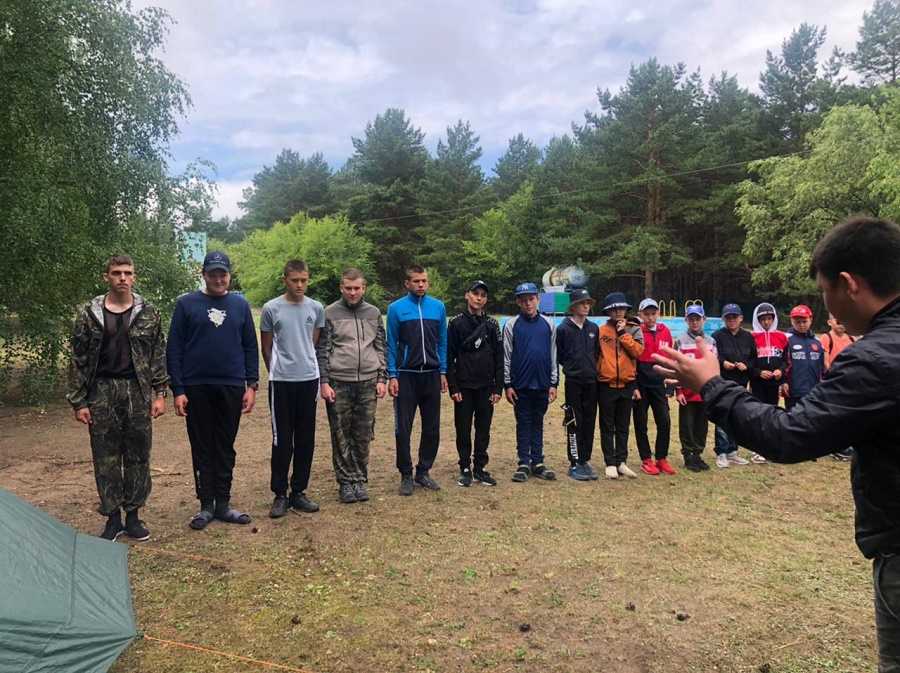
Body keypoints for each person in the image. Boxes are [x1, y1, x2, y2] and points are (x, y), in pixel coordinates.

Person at [651, 216, 900, 672]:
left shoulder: (875, 359)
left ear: (849, 284)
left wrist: (711, 385)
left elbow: (788, 435)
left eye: (824, 291)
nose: (824, 307)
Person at [67, 255, 167, 541]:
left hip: (137, 390)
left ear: (134, 277)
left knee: (138, 455)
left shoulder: (149, 312)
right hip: (101, 391)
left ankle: (133, 517)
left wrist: (160, 393)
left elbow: (157, 354)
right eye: (116, 273)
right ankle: (112, 519)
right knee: (105, 457)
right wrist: (79, 401)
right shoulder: (89, 313)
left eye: (127, 273)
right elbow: (77, 358)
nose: (122, 277)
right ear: (106, 277)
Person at [167, 251, 259, 530]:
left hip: (231, 385)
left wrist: (252, 384)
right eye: (213, 274)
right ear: (204, 275)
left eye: (223, 274)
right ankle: (206, 504)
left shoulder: (240, 305)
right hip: (196, 386)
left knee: (225, 446)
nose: (218, 279)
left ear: (229, 275)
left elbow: (250, 346)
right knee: (202, 446)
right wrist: (178, 389)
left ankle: (223, 503)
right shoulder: (186, 304)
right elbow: (174, 348)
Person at [316, 268, 388, 503]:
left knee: (363, 434)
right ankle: (346, 482)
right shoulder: (329, 313)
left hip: (368, 381)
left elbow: (381, 346)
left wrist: (382, 378)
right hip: (339, 381)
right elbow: (323, 349)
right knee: (341, 435)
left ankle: (359, 479)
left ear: (364, 288)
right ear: (341, 288)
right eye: (348, 288)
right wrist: (324, 382)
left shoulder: (373, 313)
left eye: (357, 288)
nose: (353, 292)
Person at [260, 260, 325, 518]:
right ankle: (280, 494)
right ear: (284, 279)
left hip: (308, 380)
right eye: (294, 280)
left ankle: (299, 491)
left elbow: (313, 342)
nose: (299, 285)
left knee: (306, 438)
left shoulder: (316, 308)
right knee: (282, 440)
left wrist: (305, 365)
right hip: (281, 383)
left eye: (304, 280)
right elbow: (266, 347)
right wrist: (277, 371)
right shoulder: (271, 308)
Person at [386, 265, 448, 496]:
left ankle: (423, 471)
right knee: (403, 428)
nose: (421, 284)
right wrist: (393, 374)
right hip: (406, 375)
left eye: (424, 281)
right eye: (416, 281)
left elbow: (442, 341)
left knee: (432, 427)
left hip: (431, 374)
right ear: (407, 283)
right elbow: (391, 343)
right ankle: (405, 474)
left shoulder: (438, 307)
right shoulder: (396, 309)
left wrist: (443, 371)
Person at [447, 281, 502, 487]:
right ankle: (464, 467)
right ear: (467, 295)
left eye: (483, 295)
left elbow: (499, 357)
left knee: (483, 429)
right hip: (463, 387)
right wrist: (453, 387)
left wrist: (498, 387)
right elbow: (449, 356)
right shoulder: (455, 323)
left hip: (486, 386)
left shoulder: (492, 324)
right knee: (463, 429)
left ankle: (480, 467)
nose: (479, 298)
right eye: (475, 293)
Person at [503, 282, 558, 483]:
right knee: (524, 422)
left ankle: (538, 462)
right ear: (518, 302)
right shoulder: (512, 325)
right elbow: (507, 355)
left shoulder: (549, 324)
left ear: (538, 299)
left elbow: (553, 354)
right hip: (520, 385)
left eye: (531, 299)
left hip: (542, 383)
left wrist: (554, 383)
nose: (528, 303)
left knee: (538, 422)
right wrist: (508, 384)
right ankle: (524, 462)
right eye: (524, 300)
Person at [596, 292, 644, 479]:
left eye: (621, 308)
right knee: (607, 425)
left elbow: (638, 352)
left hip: (627, 384)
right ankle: (610, 462)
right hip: (606, 384)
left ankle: (621, 461)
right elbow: (596, 355)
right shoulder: (601, 331)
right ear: (608, 311)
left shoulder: (634, 329)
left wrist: (623, 333)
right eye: (614, 309)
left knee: (623, 425)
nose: (618, 312)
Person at [555, 288, 600, 481]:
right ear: (573, 306)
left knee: (589, 421)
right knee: (574, 421)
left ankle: (585, 459)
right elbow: (560, 355)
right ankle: (574, 462)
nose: (586, 306)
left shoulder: (593, 328)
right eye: (582, 303)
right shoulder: (563, 329)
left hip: (592, 382)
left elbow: (596, 353)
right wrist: (572, 368)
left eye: (588, 303)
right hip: (573, 382)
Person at [633, 298, 677, 475]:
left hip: (659, 382)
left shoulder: (665, 331)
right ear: (640, 314)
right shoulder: (636, 331)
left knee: (664, 421)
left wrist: (670, 386)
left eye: (653, 313)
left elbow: (670, 358)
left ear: (658, 313)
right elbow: (632, 360)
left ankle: (661, 458)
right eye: (646, 314)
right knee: (640, 422)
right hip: (641, 381)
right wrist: (634, 385)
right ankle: (646, 459)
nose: (650, 317)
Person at [711, 304, 755, 468]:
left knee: (737, 417)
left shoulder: (748, 337)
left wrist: (747, 366)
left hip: (741, 382)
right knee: (722, 416)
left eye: (734, 317)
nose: (731, 320)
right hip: (723, 382)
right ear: (724, 319)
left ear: (741, 318)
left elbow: (754, 358)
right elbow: (713, 356)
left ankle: (733, 451)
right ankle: (721, 452)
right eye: (728, 317)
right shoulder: (717, 336)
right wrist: (723, 363)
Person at [673, 304, 716, 472]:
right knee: (687, 424)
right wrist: (678, 391)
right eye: (691, 319)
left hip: (704, 392)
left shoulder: (711, 342)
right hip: (687, 391)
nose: (695, 322)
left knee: (701, 425)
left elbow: (714, 368)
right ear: (686, 320)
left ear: (704, 319)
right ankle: (688, 455)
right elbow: (676, 367)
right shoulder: (680, 341)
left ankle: (698, 454)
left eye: (698, 319)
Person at [748, 302, 788, 464]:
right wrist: (758, 372)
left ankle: (770, 445)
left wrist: (781, 371)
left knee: (772, 412)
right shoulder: (751, 337)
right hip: (758, 383)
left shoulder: (782, 337)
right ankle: (757, 448)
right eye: (763, 319)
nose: (766, 322)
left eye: (769, 318)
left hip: (774, 382)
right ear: (757, 320)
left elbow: (786, 360)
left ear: (774, 318)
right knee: (758, 413)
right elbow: (749, 361)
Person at [819, 313, 857, 461]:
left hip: (850, 384)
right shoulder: (826, 338)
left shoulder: (851, 339)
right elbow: (825, 363)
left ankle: (845, 445)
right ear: (830, 322)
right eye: (837, 320)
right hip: (833, 383)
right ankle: (834, 447)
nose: (841, 323)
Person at [781, 305, 824, 411]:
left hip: (813, 391)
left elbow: (822, 366)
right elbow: (781, 362)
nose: (801, 325)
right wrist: (783, 381)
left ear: (811, 320)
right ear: (791, 321)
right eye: (797, 322)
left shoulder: (817, 341)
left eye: (804, 321)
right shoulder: (785, 339)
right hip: (793, 391)